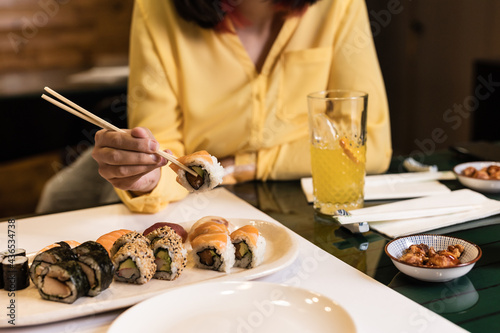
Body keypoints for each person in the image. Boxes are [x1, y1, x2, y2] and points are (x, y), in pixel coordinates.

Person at [38, 0, 392, 214]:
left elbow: (370, 146)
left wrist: (239, 167)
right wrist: (147, 178)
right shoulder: (156, 8)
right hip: (190, 203)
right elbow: (165, 158)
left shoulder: (338, 6)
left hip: (297, 201)